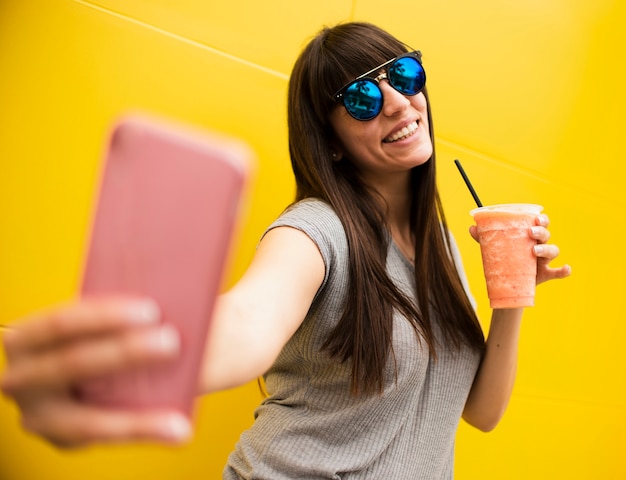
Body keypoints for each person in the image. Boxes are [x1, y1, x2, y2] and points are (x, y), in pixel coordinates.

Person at [1, 22, 570, 479]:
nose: (398, 102)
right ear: (332, 143)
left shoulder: (443, 245)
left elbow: (481, 413)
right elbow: (248, 321)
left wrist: (512, 296)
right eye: (363, 98)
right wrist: (128, 362)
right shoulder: (316, 231)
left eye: (404, 74)